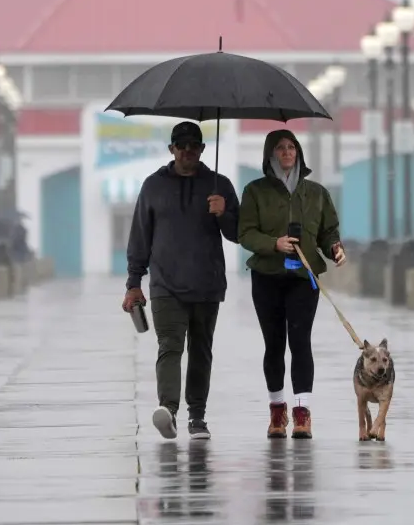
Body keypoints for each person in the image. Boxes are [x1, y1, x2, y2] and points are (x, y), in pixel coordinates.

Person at [122, 121, 239, 441]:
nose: (187, 150)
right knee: (169, 347)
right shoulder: (153, 186)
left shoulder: (220, 185)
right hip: (165, 286)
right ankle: (169, 411)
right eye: (181, 145)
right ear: (171, 149)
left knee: (201, 351)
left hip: (207, 283)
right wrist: (134, 283)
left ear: (202, 150)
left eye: (194, 145)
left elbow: (238, 233)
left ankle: (197, 417)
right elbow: (140, 237)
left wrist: (224, 212)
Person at [238, 129, 345, 440]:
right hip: (266, 278)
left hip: (304, 278)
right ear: (270, 155)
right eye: (280, 148)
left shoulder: (316, 193)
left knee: (300, 342)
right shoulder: (254, 191)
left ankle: (302, 413)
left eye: (291, 147)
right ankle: (276, 411)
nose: (286, 153)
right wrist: (275, 243)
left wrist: (335, 248)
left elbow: (328, 231)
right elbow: (245, 233)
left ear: (298, 152)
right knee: (274, 345)